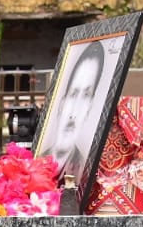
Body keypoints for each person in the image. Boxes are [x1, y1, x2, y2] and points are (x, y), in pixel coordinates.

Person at [39, 40, 105, 183]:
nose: (74, 112)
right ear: (61, 102)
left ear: (90, 107)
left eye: (86, 95)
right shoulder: (38, 162)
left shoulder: (85, 172)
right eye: (73, 94)